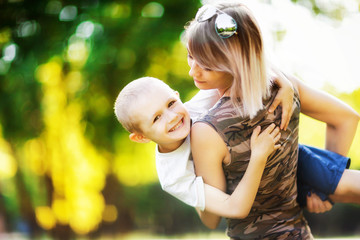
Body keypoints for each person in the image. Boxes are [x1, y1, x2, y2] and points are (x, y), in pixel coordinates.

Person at [184, 2, 360, 238]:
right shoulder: (284, 87)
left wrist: (187, 178)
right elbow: (347, 118)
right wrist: (322, 187)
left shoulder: (207, 130)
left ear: (233, 60)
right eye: (190, 56)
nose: (192, 71)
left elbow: (210, 218)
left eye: (205, 65)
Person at [114, 76, 283, 218]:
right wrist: (259, 156)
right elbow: (235, 209)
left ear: (177, 96)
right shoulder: (173, 177)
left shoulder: (194, 107)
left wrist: (285, 83)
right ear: (141, 137)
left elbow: (240, 70)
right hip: (233, 200)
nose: (172, 117)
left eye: (171, 104)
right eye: (156, 118)